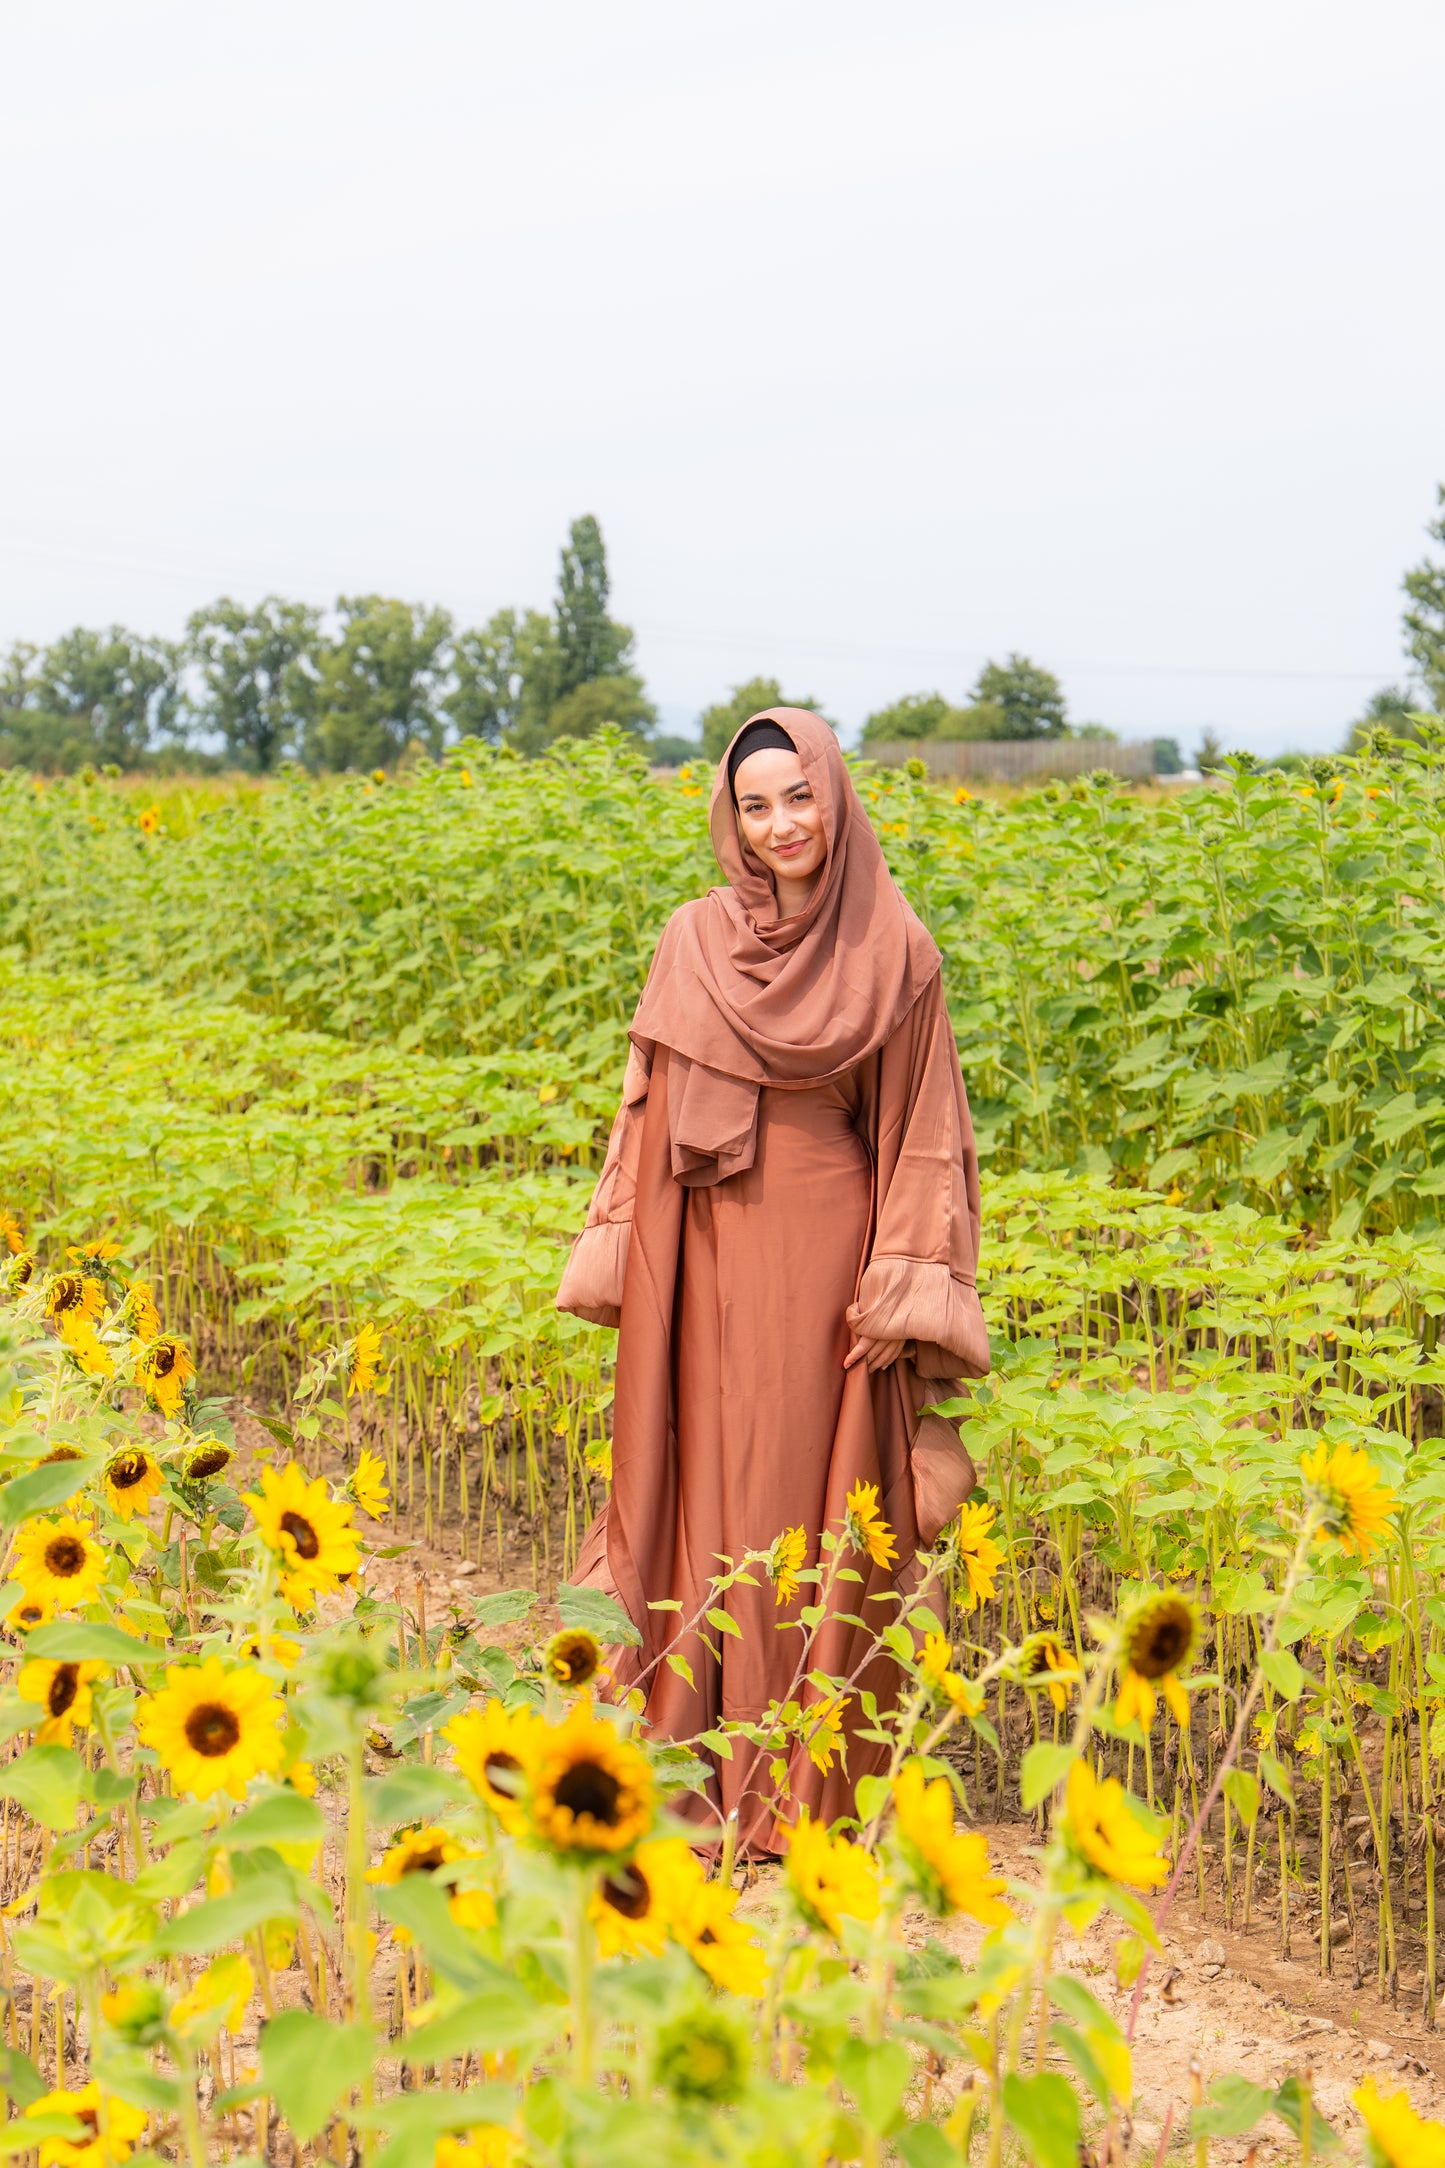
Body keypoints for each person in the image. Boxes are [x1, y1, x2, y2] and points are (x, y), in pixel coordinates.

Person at [555, 708, 990, 1854]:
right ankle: (688, 1763)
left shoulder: (893, 948)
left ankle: (801, 1785)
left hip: (825, 1254)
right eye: (754, 804)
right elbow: (644, 1110)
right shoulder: (691, 938)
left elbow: (922, 1130)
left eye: (798, 795)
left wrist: (899, 1280)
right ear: (729, 819)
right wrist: (640, 1259)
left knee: (807, 1496)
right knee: (705, 1486)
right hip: (702, 1254)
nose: (779, 823)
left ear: (833, 797)